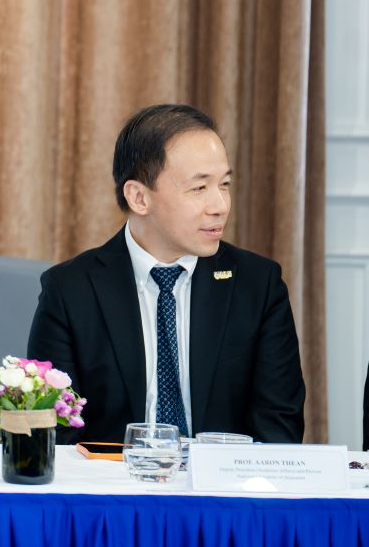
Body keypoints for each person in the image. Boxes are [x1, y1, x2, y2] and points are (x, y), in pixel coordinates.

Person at [27, 104, 305, 444]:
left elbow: (279, 429)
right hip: (113, 476)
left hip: (221, 477)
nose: (220, 205)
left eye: (225, 184)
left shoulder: (258, 286)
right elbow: (53, 430)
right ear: (139, 197)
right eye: (199, 188)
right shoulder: (71, 290)